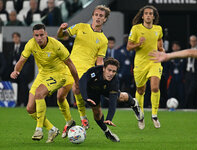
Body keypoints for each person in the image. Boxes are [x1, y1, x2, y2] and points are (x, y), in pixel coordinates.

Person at [10, 24, 79, 143]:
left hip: (59, 74)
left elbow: (70, 64)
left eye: (42, 35)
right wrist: (16, 70)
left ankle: (39, 129)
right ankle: (52, 129)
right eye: (36, 35)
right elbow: (22, 60)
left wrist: (77, 83)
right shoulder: (31, 44)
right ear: (33, 36)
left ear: (46, 34)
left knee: (39, 93)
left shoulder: (56, 45)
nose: (39, 38)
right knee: (30, 109)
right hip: (42, 75)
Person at [57, 5, 110, 138]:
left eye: (101, 16)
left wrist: (100, 75)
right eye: (96, 15)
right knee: (60, 96)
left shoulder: (103, 40)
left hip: (86, 69)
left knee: (76, 89)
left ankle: (83, 116)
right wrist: (61, 29)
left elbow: (99, 60)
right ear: (92, 16)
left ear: (105, 19)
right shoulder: (81, 27)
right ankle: (69, 121)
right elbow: (62, 36)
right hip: (70, 65)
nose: (98, 17)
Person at [79, 58, 143, 142]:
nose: (111, 73)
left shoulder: (114, 81)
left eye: (114, 71)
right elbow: (82, 81)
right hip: (93, 91)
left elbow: (112, 102)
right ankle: (107, 132)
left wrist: (109, 118)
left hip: (107, 89)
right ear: (103, 68)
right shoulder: (94, 71)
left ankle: (134, 103)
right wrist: (85, 97)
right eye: (109, 70)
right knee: (97, 114)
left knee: (121, 97)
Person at [126, 5, 165, 129]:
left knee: (154, 87)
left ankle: (154, 114)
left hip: (154, 61)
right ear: (142, 16)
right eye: (146, 13)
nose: (148, 15)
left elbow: (159, 41)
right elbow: (129, 47)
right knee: (140, 91)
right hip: (140, 64)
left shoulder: (158, 29)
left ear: (153, 16)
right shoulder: (136, 29)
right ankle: (141, 115)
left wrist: (161, 49)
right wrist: (138, 44)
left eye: (150, 13)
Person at [166, 41, 186, 108]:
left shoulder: (183, 56)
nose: (175, 47)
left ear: (179, 47)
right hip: (172, 78)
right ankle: (169, 106)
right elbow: (166, 68)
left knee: (181, 94)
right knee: (170, 93)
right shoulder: (169, 56)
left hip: (181, 79)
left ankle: (182, 107)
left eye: (177, 46)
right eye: (174, 46)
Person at [184, 35, 197, 109]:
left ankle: (191, 106)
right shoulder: (188, 50)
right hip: (188, 73)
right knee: (186, 90)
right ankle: (189, 107)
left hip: (195, 73)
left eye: (194, 41)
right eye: (191, 41)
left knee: (192, 91)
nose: (193, 42)